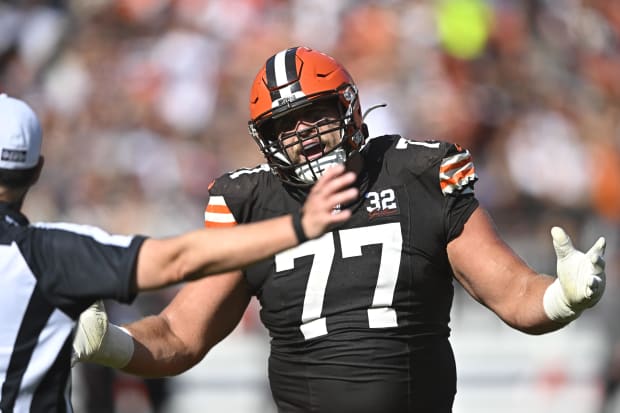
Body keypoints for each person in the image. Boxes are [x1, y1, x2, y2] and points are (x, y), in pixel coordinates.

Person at [72, 46, 607, 413]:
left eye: (315, 115)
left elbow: (513, 294)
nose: (302, 135)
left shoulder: (416, 174)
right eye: (285, 126)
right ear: (266, 139)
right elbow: (179, 335)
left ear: (349, 108)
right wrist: (110, 343)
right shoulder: (251, 202)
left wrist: (562, 295)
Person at [0, 92, 358, 413]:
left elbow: (179, 330)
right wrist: (297, 226)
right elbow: (177, 259)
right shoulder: (52, 252)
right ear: (36, 171)